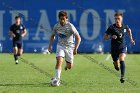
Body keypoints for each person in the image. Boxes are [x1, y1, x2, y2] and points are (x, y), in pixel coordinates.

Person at [48, 11, 81, 86]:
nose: (62, 20)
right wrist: (49, 46)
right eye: (60, 19)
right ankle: (57, 80)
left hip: (70, 47)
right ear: (59, 19)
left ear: (66, 18)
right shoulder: (56, 26)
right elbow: (52, 36)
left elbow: (78, 37)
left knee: (69, 67)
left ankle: (67, 64)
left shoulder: (70, 26)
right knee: (59, 60)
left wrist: (76, 48)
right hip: (60, 46)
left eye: (63, 19)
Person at [103, 12, 135, 83]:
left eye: (119, 19)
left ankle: (122, 76)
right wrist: (111, 37)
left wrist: (131, 39)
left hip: (122, 47)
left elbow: (129, 30)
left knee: (122, 59)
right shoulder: (111, 27)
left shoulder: (125, 26)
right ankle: (115, 64)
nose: (117, 20)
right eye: (116, 19)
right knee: (117, 64)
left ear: (121, 19)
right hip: (114, 48)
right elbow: (104, 37)